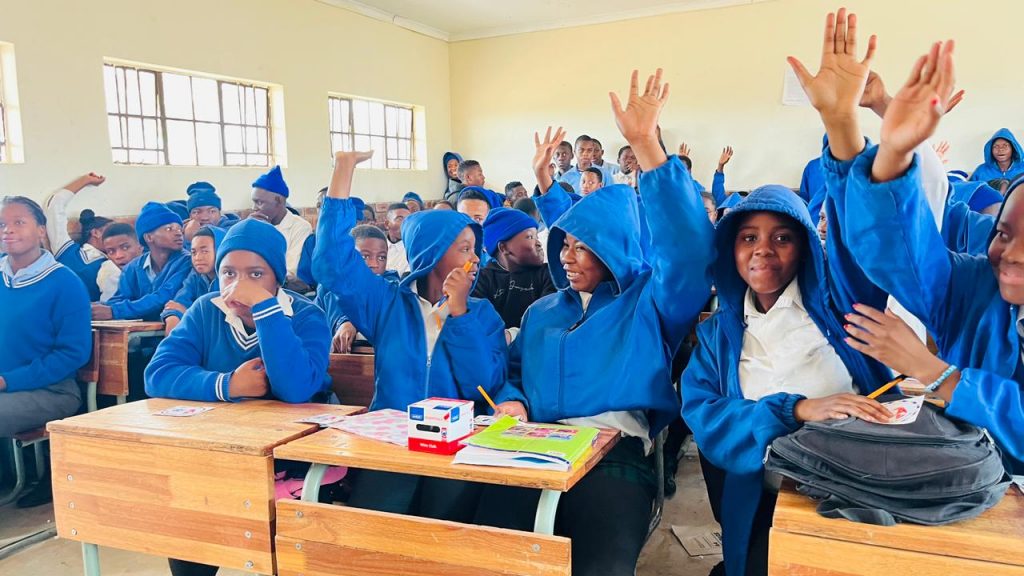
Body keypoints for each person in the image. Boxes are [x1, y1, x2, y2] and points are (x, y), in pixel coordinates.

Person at [685, 11, 895, 576]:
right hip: (766, 493)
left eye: (782, 237)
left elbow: (863, 233)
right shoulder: (718, 335)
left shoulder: (843, 307)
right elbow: (708, 418)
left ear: (805, 247)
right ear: (730, 250)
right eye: (748, 238)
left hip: (855, 484)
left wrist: (842, 123)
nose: (763, 251)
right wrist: (798, 409)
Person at [481, 68, 714, 576]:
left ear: (614, 252)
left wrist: (647, 146)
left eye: (584, 247)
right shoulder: (543, 312)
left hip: (615, 455)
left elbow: (690, 254)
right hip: (535, 446)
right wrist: (513, 401)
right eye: (565, 244)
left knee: (599, 563)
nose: (567, 256)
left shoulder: (647, 304)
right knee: (489, 552)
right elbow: (513, 371)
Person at [829, 35, 1024, 473]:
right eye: (1003, 234)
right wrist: (891, 148)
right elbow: (902, 251)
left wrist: (933, 370)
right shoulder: (977, 287)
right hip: (959, 482)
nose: (1012, 255)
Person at [314, 149, 507, 521]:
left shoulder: (482, 314)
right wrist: (343, 170)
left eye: (475, 249)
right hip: (393, 442)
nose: (476, 260)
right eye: (464, 249)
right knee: (374, 527)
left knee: (446, 529)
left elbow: (483, 384)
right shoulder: (387, 303)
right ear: (433, 254)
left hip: (457, 447)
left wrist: (460, 313)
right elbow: (332, 264)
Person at [145, 217, 331, 576]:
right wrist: (227, 385)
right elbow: (158, 374)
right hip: (219, 453)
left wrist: (266, 310)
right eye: (228, 273)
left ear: (277, 278)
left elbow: (295, 388)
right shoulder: (206, 310)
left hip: (286, 457)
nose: (239, 286)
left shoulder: (306, 316)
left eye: (256, 274)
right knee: (189, 521)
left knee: (279, 542)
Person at [0, 196, 91, 507]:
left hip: (51, 390)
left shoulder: (64, 283)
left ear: (41, 230)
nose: (8, 230)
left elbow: (72, 354)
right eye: (2, 224)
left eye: (18, 222)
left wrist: (7, 381)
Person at [94, 201, 191, 321]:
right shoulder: (133, 267)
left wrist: (115, 311)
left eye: (179, 229)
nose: (178, 233)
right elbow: (120, 298)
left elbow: (164, 296)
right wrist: (99, 308)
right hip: (142, 331)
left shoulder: (187, 262)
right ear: (149, 237)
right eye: (169, 229)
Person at [316, 223, 400, 353]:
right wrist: (345, 322)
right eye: (365, 256)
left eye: (381, 257)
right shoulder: (327, 287)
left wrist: (350, 322)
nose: (374, 264)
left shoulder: (390, 282)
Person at [473, 207, 554, 335]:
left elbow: (547, 321)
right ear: (503, 248)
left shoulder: (548, 274)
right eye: (530, 237)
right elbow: (479, 325)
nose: (538, 243)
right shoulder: (482, 280)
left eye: (537, 236)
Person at [43, 173, 113, 301]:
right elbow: (54, 206)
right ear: (96, 232)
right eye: (112, 231)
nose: (118, 236)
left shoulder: (114, 262)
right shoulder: (68, 250)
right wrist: (85, 180)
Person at [249, 165, 312, 291]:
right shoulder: (253, 225)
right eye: (254, 202)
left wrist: (267, 232)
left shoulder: (300, 227)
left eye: (259, 202)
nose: (254, 208)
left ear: (279, 201)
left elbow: (290, 272)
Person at [161, 225, 226, 333]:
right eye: (194, 252)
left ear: (219, 250)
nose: (197, 258)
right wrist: (173, 316)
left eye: (204, 251)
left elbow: (222, 319)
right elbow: (177, 304)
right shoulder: (195, 277)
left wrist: (187, 311)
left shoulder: (230, 279)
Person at [98, 223, 143, 303]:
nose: (118, 256)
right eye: (111, 251)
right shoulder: (110, 272)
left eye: (125, 248)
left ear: (140, 246)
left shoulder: (156, 268)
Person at [384, 202, 411, 275]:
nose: (406, 223)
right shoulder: (378, 247)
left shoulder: (413, 250)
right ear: (387, 224)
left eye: (408, 219)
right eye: (400, 219)